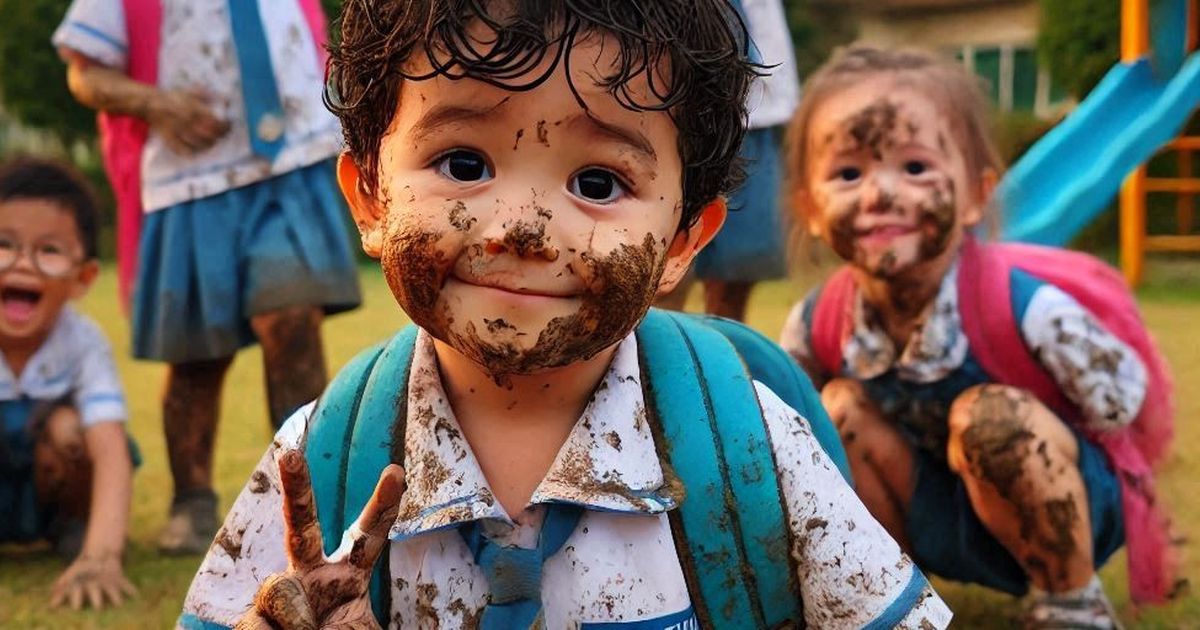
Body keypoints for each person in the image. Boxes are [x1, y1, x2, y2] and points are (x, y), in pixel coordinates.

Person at [177, 3, 952, 629]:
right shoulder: (321, 456)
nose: (521, 226)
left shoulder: (748, 445)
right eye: (464, 164)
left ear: (684, 239)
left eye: (598, 180)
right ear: (371, 197)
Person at [779, 47, 1173, 628]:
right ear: (811, 208)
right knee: (830, 414)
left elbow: (1123, 402)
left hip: (1057, 504)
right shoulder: (820, 319)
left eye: (915, 168)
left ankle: (1073, 603)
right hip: (929, 503)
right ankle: (884, 595)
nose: (880, 194)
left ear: (976, 195)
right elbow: (777, 438)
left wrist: (1021, 424)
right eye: (849, 173)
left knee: (989, 419)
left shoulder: (1026, 307)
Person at [52, 0, 363, 554]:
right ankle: (192, 502)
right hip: (188, 178)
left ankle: (304, 498)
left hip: (290, 165)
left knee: (292, 320)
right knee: (198, 356)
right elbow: (84, 70)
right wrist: (155, 104)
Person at [0, 157, 137, 610]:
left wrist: (102, 556)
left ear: (83, 278)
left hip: (48, 484)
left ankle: (76, 533)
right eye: (4, 245)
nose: (22, 265)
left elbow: (110, 449)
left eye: (50, 250)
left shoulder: (82, 342)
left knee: (67, 425)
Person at [656, 0, 799, 321]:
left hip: (756, 113)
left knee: (740, 266)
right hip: (675, 108)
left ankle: (726, 357)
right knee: (664, 261)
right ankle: (652, 355)